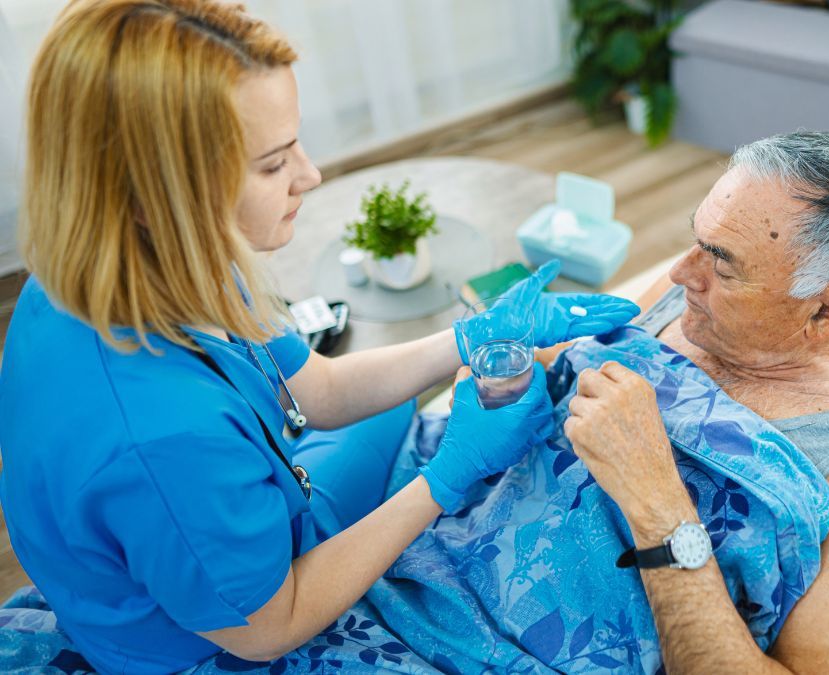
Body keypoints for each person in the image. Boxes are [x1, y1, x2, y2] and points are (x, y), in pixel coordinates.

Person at [0, 1, 637, 672]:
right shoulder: (161, 437)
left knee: (395, 400)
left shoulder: (158, 258)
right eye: (274, 165)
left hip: (253, 506)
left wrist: (472, 335)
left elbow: (320, 390)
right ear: (158, 195)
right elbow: (271, 625)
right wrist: (449, 476)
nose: (312, 175)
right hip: (218, 640)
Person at [562, 131, 829, 673]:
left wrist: (656, 502)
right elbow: (551, 362)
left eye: (723, 265)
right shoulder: (691, 297)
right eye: (696, 240)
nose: (679, 274)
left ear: (825, 311)